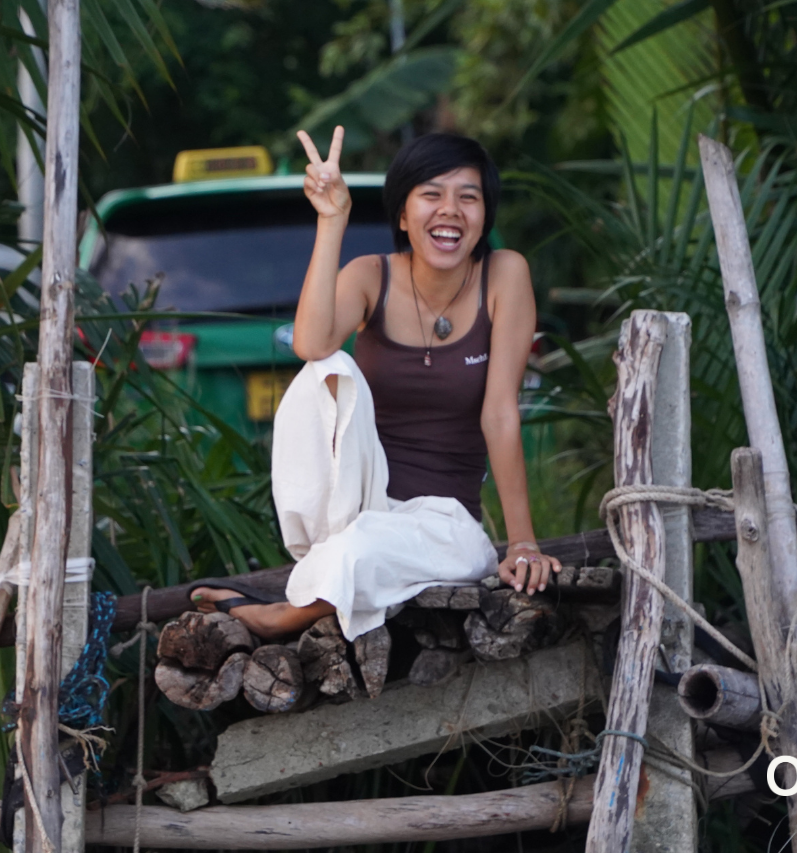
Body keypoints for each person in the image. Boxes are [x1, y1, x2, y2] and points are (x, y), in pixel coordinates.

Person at [192, 126, 560, 639]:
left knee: (378, 550)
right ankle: (320, 563)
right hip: (357, 506)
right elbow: (310, 342)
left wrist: (521, 542)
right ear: (404, 215)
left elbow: (499, 411)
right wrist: (332, 219)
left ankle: (285, 615)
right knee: (326, 369)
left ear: (484, 216)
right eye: (432, 194)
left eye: (468, 198)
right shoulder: (371, 275)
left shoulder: (504, 274)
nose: (451, 210)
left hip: (445, 522)